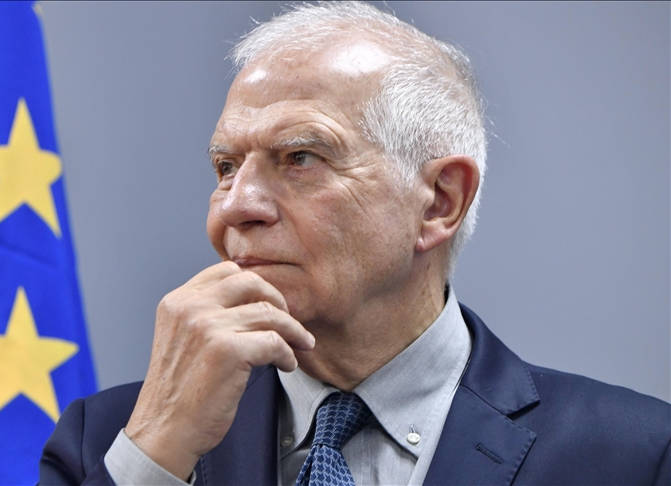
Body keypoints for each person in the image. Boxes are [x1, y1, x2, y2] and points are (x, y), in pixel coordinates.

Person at [39, 3, 671, 485]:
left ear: (440, 201)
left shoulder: (635, 456)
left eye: (300, 157)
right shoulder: (110, 442)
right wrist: (155, 455)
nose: (234, 207)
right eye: (226, 167)